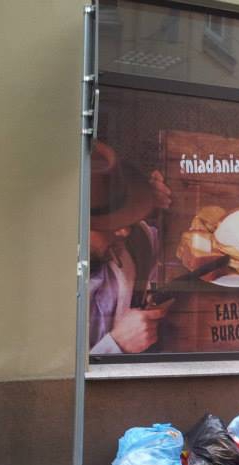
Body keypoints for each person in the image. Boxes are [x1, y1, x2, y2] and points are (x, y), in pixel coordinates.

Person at [89, 142, 173, 354]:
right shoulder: (36, 292)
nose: (124, 232)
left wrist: (165, 201)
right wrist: (116, 346)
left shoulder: (136, 241)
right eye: (105, 224)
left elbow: (168, 245)